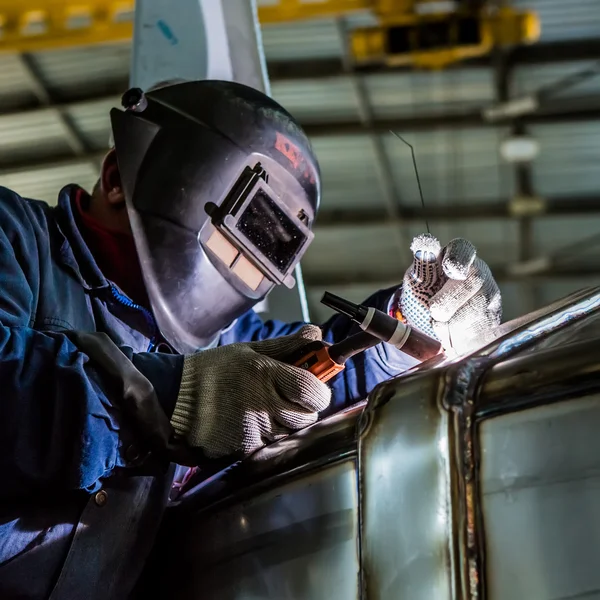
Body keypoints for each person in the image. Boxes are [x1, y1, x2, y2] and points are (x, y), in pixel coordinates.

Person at [0, 80, 501, 599]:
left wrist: (406, 321)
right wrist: (181, 399)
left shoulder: (221, 340)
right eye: (231, 229)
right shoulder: (13, 238)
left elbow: (317, 370)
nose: (234, 262)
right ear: (117, 180)